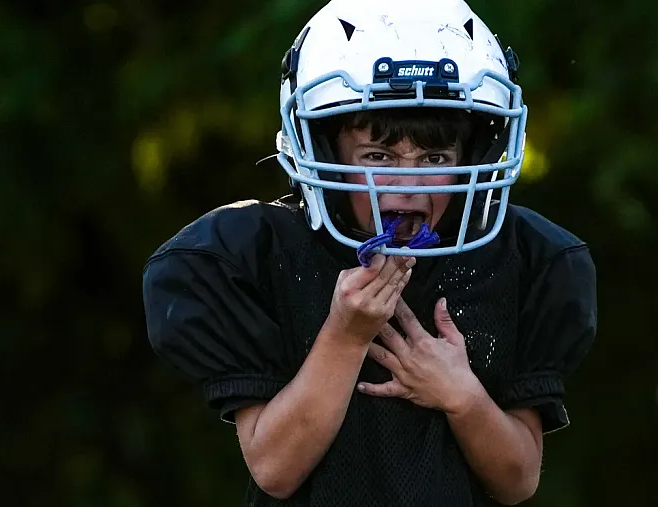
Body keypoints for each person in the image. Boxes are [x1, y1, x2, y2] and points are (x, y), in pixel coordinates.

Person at [141, 0, 597, 505]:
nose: (408, 182)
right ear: (322, 148)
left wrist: (460, 394)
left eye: (436, 157)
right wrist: (346, 333)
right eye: (378, 156)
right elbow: (274, 468)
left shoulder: (521, 260)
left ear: (477, 153)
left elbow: (517, 482)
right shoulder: (262, 255)